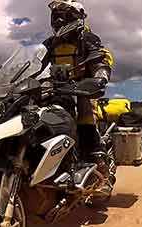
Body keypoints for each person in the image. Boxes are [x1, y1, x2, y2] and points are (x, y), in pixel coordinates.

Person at [43, 0, 115, 197]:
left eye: (63, 14)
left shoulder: (87, 39)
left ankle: (100, 168)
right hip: (56, 91)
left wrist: (100, 77)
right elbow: (34, 64)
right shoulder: (50, 44)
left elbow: (101, 59)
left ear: (76, 16)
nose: (58, 19)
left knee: (84, 112)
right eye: (56, 14)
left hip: (82, 89)